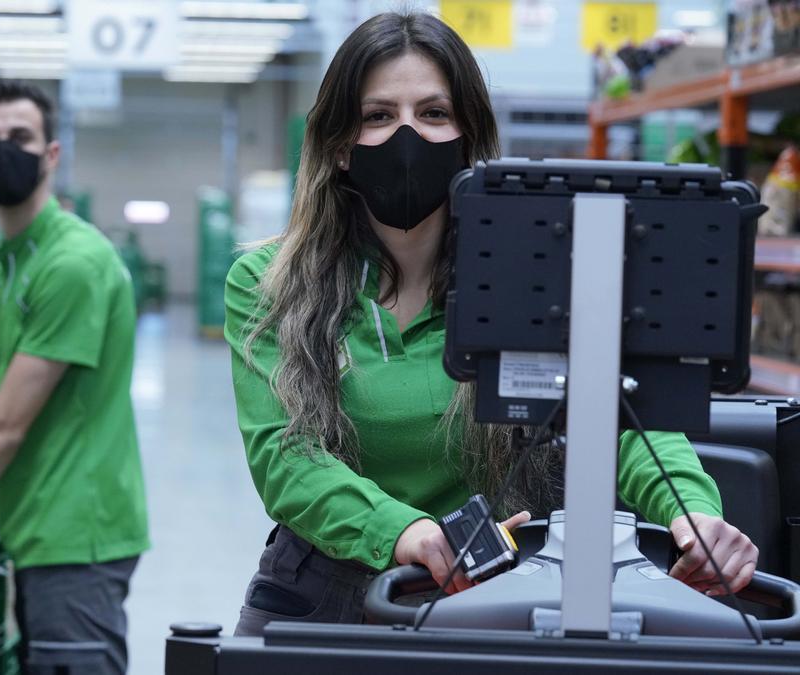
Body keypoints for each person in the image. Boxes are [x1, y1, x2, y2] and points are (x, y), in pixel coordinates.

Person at [224, 11, 759, 637]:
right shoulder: (269, 282)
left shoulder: (540, 272)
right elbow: (287, 458)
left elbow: (622, 413)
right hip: (324, 593)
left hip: (501, 581)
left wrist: (690, 511)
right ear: (340, 146)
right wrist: (406, 532)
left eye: (432, 113)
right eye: (378, 116)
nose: (407, 137)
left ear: (467, 136)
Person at [0, 79, 149, 675]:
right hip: (36, 521)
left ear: (51, 154)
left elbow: (4, 424)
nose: (5, 150)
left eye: (21, 137)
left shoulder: (71, 263)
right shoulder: (14, 258)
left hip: (76, 533)